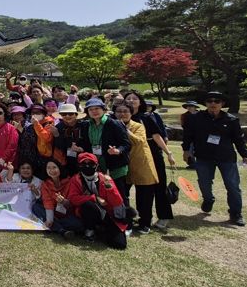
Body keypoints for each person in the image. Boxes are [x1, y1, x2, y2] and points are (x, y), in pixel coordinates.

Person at [182, 91, 247, 226]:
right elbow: (188, 135)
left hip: (226, 157)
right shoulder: (195, 118)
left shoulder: (231, 120)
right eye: (210, 101)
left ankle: (235, 213)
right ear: (205, 104)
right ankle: (208, 199)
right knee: (204, 183)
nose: (213, 103)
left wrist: (245, 156)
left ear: (223, 104)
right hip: (203, 156)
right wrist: (186, 151)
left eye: (217, 101)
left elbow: (239, 140)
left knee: (233, 186)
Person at [123, 92, 175, 231]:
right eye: (128, 98)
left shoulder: (146, 117)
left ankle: (164, 216)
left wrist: (168, 153)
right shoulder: (120, 116)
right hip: (128, 154)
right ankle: (129, 216)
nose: (132, 100)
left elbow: (157, 136)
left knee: (159, 185)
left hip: (150, 153)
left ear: (140, 102)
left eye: (135, 98)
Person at [68, 152, 131, 249]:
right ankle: (90, 230)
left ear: (96, 165)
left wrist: (110, 189)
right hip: (89, 212)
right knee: (88, 205)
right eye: (84, 164)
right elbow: (73, 199)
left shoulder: (105, 179)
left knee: (120, 244)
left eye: (91, 164)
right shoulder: (75, 179)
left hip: (108, 214)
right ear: (79, 166)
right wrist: (93, 197)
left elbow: (117, 202)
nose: (87, 166)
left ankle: (101, 229)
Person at [113, 101, 159, 234]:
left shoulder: (138, 126)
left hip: (141, 163)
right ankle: (125, 219)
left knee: (144, 196)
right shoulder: (112, 125)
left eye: (125, 111)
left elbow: (140, 141)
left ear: (131, 113)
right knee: (121, 194)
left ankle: (145, 222)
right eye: (119, 111)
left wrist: (124, 130)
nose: (122, 114)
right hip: (122, 165)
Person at [32, 158, 82, 239]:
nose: (51, 170)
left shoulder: (70, 181)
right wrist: (50, 220)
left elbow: (72, 203)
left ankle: (54, 227)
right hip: (53, 212)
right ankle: (61, 230)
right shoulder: (45, 184)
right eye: (48, 168)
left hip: (67, 215)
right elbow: (47, 202)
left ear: (59, 168)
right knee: (36, 207)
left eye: (54, 167)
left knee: (78, 224)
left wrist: (64, 201)